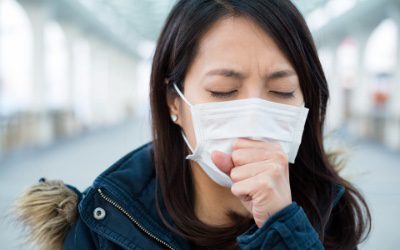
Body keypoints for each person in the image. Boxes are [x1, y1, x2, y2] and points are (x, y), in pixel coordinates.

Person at [15, 0, 371, 249]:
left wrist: (284, 227)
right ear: (174, 103)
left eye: (281, 91)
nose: (253, 117)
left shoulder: (328, 210)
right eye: (223, 91)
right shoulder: (104, 225)